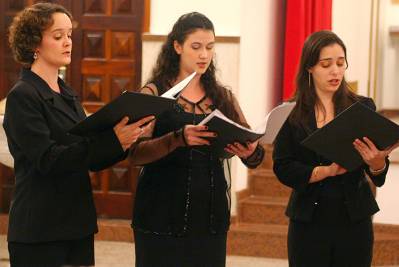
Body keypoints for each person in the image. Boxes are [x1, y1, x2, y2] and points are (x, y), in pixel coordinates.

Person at [3, 3, 153, 266]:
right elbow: (49, 159)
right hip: (40, 228)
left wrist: (126, 139)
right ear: (34, 43)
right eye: (58, 36)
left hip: (77, 223)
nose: (67, 42)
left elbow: (91, 157)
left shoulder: (67, 93)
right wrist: (112, 140)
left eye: (70, 35)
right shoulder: (22, 95)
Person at [129, 12, 265, 267]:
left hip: (209, 214)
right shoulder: (154, 93)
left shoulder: (222, 97)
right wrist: (177, 138)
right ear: (177, 47)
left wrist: (250, 153)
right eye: (196, 47)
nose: (204, 54)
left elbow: (255, 155)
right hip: (161, 211)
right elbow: (134, 154)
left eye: (210, 47)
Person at [273, 30, 399, 267]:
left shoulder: (362, 107)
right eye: (326, 64)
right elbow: (282, 166)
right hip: (308, 221)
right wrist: (325, 171)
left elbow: (378, 175)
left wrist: (377, 163)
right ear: (310, 67)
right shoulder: (291, 112)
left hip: (354, 219)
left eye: (341, 63)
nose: (335, 71)